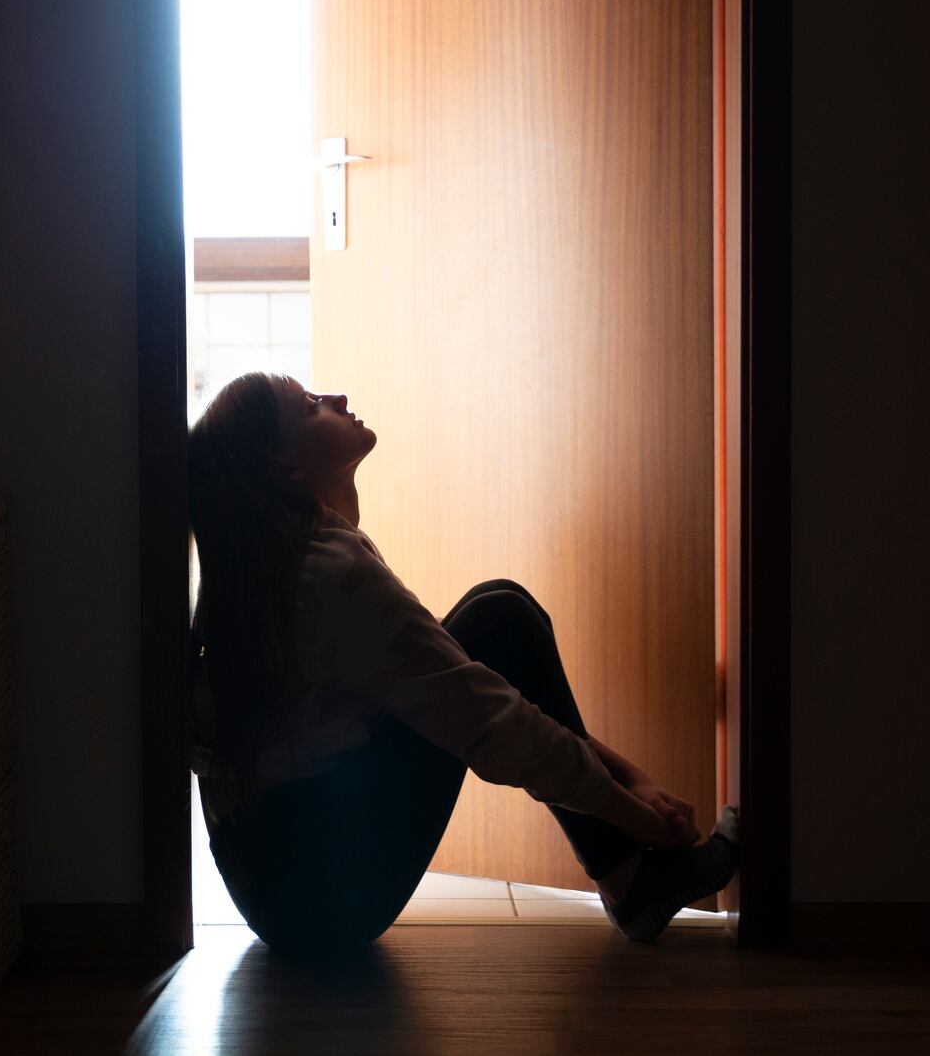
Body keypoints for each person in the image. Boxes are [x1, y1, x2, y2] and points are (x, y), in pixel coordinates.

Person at [185, 370, 740, 956]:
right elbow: (488, 721)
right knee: (498, 623)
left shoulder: (287, 568)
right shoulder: (321, 577)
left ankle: (630, 882)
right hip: (320, 901)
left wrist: (632, 779)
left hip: (282, 889)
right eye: (310, 405)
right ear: (287, 469)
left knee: (493, 615)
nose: (338, 398)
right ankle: (633, 882)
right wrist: (636, 817)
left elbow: (461, 685)